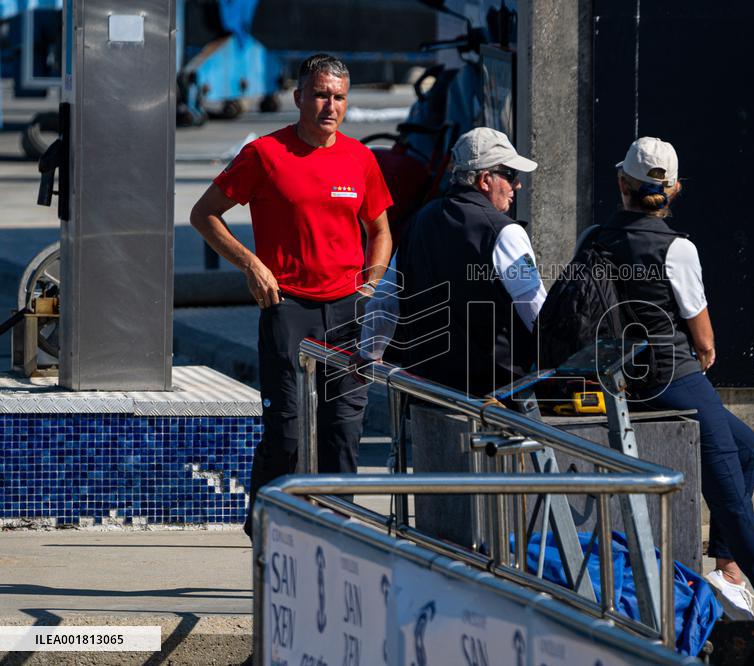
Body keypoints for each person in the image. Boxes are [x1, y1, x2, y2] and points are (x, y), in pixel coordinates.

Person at [597, 137, 754, 645]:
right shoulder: (676, 248)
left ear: (622, 184)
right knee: (729, 498)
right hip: (675, 379)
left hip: (623, 381)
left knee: (747, 446)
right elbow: (703, 338)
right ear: (673, 190)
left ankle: (727, 572)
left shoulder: (595, 239)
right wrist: (700, 356)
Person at [189, 54, 393, 537]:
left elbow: (381, 230)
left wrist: (371, 284)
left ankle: (337, 530)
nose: (330, 106)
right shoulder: (265, 154)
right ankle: (268, 525)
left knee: (343, 427)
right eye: (320, 95)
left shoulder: (360, 159)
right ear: (299, 96)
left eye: (339, 97)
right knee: (288, 429)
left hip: (347, 309)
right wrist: (251, 265)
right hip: (289, 307)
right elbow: (204, 214)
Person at [357, 127, 544, 397]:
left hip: (425, 389)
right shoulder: (504, 232)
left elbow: (385, 299)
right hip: (495, 397)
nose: (517, 185)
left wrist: (368, 354)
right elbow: (536, 312)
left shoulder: (419, 221)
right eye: (510, 175)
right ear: (485, 180)